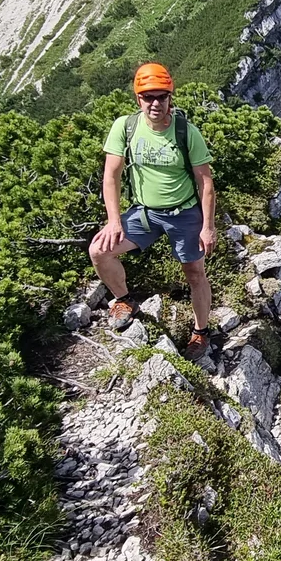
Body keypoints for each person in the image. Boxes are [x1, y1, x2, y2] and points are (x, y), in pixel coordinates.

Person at [88, 62, 218, 361]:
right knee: (99, 251)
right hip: (145, 213)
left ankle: (201, 332)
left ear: (171, 97)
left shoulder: (186, 132)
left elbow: (206, 182)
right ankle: (123, 300)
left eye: (161, 96)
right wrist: (113, 221)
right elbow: (111, 175)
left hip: (184, 214)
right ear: (138, 99)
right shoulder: (126, 127)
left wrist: (208, 227)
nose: (155, 103)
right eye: (148, 97)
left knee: (195, 273)